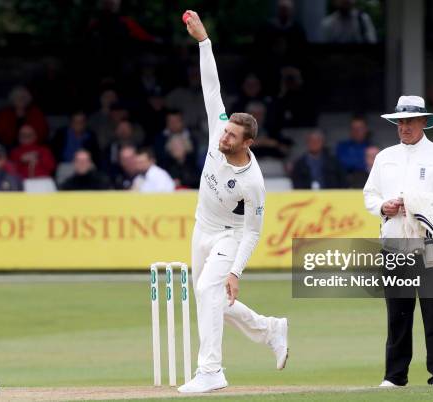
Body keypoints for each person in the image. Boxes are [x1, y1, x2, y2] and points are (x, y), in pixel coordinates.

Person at [177, 11, 288, 393]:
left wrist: (236, 272)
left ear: (247, 143)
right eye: (225, 131)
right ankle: (270, 328)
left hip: (230, 235)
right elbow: (212, 88)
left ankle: (211, 371)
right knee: (210, 302)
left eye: (231, 136)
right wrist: (203, 42)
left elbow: (253, 232)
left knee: (212, 292)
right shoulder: (215, 131)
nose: (223, 138)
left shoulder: (253, 182)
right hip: (201, 227)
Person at [363, 95, 433, 387]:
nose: (404, 127)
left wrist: (416, 204)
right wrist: (384, 207)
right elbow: (370, 195)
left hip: (431, 240)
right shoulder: (385, 157)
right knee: (398, 311)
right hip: (395, 241)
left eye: (410, 121)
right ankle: (395, 376)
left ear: (423, 122)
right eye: (400, 122)